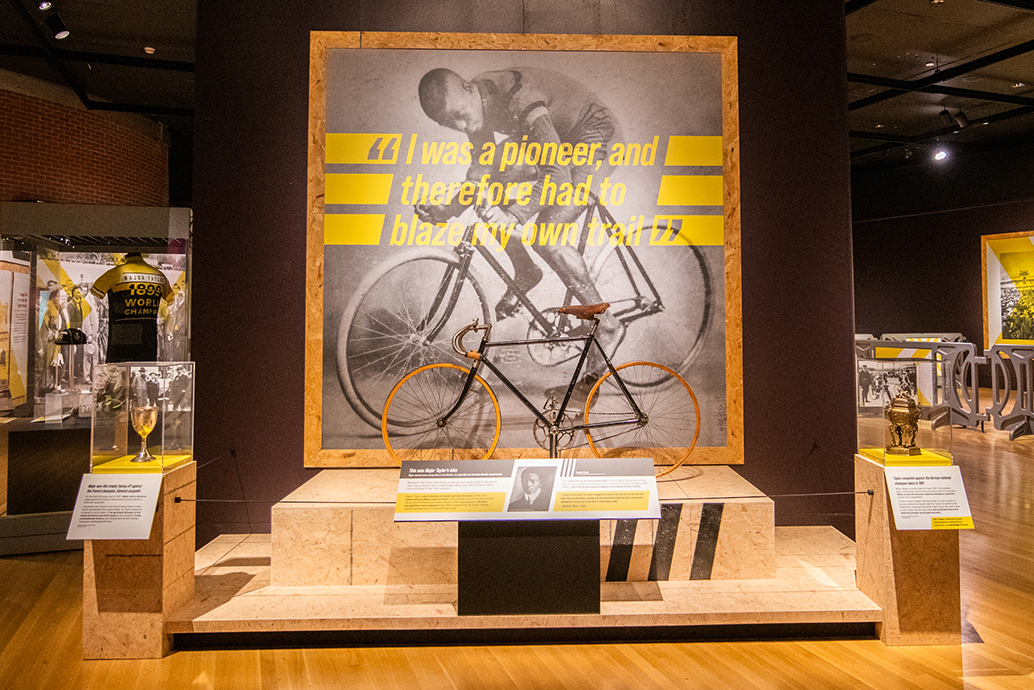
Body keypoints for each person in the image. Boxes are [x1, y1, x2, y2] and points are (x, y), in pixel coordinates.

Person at [416, 67, 624, 391]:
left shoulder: (520, 98)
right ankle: (525, 271)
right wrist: (450, 208)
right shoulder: (477, 106)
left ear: (469, 89)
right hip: (558, 135)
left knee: (546, 235)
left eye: (459, 116)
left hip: (592, 135)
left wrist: (515, 215)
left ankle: (606, 325)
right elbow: (481, 171)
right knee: (492, 186)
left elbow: (557, 175)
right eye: (449, 124)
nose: (463, 127)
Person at [90, 253, 173, 363]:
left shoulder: (114, 274)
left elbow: (96, 290)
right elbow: (170, 298)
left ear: (125, 256)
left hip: (121, 341)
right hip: (148, 342)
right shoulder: (159, 276)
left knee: (118, 377)